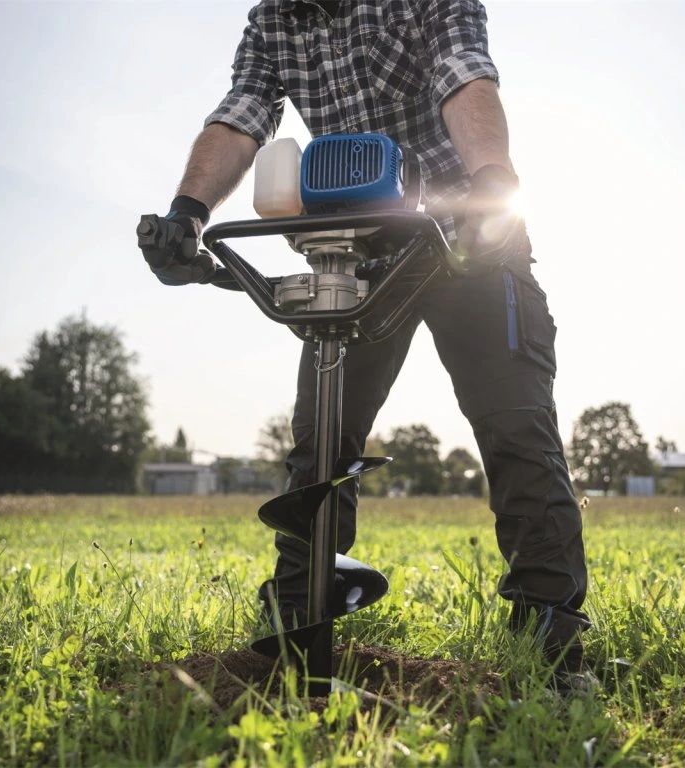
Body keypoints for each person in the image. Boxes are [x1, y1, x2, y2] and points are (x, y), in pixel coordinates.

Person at [138, 0, 591, 676]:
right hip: (357, 256)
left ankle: (551, 642)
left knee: (515, 428)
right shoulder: (275, 20)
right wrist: (188, 213)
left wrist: (493, 181)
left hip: (468, 238)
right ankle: (299, 624)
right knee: (321, 443)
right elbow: (241, 114)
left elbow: (462, 72)